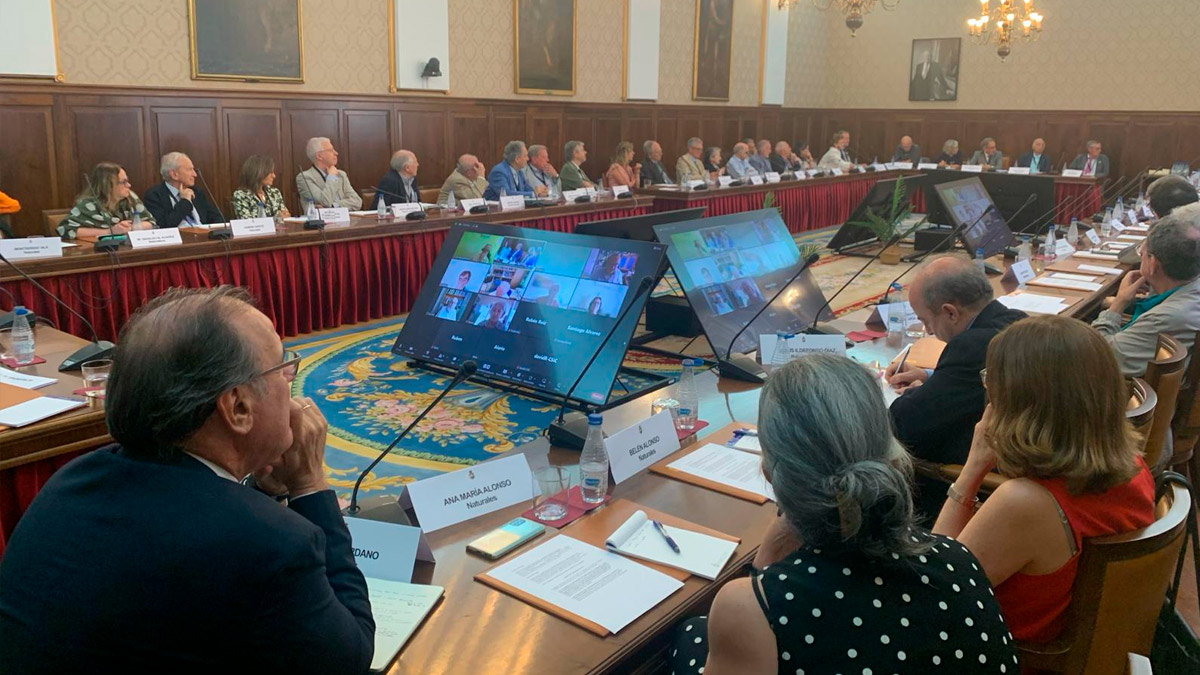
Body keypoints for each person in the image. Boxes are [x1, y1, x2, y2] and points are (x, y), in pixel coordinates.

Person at [0, 287, 373, 673]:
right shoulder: (271, 545)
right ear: (239, 408)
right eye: (283, 368)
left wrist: (259, 492)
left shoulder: (71, 481)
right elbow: (350, 656)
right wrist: (310, 486)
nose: (291, 382)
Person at [675, 355, 1015, 675]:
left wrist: (763, 562)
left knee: (691, 635)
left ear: (767, 470)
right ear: (891, 455)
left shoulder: (751, 606)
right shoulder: (959, 559)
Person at [932, 315, 1155, 644]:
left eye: (991, 379)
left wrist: (971, 471)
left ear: (1021, 402)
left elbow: (931, 590)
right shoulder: (1134, 466)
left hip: (1006, 656)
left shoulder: (1025, 503)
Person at [886, 256, 1026, 465]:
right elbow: (968, 386)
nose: (929, 331)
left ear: (950, 312)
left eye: (926, 321)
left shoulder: (970, 346)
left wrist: (917, 394)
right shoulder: (1017, 319)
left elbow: (906, 425)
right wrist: (928, 378)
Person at [1091, 204, 1200, 377]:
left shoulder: (1164, 318)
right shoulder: (1191, 289)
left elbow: (1098, 355)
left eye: (1142, 253)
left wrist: (1117, 305)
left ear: (1153, 264)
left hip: (1124, 395)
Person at [58, 162, 156, 240]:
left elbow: (151, 223)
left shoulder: (130, 198)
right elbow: (65, 230)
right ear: (107, 185)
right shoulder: (88, 205)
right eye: (123, 182)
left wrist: (131, 227)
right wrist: (109, 231)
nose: (129, 185)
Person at [143, 152, 223, 228]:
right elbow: (163, 225)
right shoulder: (154, 195)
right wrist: (185, 202)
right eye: (189, 170)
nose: (195, 174)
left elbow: (218, 218)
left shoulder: (197, 193)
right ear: (174, 174)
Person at [296, 137, 362, 210]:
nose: (336, 153)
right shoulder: (305, 178)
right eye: (331, 150)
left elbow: (357, 202)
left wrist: (333, 206)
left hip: (345, 219)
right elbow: (325, 201)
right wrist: (332, 177)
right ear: (319, 156)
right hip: (320, 220)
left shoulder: (341, 174)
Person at [232, 155, 291, 220]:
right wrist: (277, 219)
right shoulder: (241, 195)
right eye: (270, 172)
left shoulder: (274, 192)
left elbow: (285, 215)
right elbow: (247, 221)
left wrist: (284, 215)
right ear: (259, 173)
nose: (274, 176)